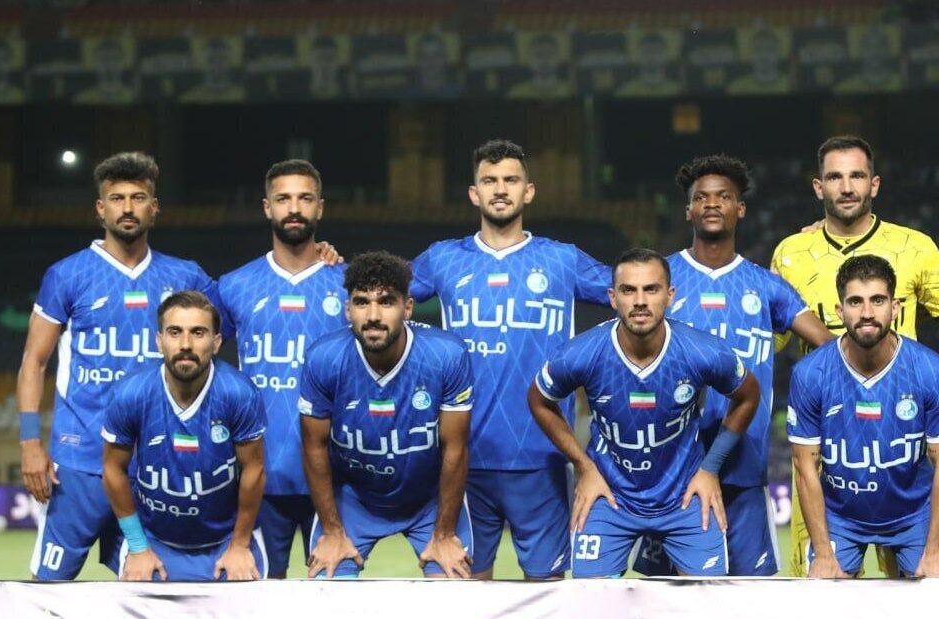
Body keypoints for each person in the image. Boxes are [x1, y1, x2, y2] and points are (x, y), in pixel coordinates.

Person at [771, 135, 939, 576]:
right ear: (818, 187)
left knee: (919, 582)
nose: (847, 187)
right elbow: (769, 342)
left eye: (857, 176)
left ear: (875, 184)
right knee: (817, 584)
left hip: (900, 445)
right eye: (835, 177)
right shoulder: (791, 254)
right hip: (827, 449)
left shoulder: (915, 248)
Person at [410, 139, 611, 580]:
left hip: (542, 457)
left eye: (510, 180)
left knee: (545, 592)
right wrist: (327, 260)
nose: (500, 189)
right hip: (463, 459)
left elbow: (638, 288)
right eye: (489, 181)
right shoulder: (443, 258)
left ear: (528, 191)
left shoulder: (562, 260)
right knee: (462, 589)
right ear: (474, 193)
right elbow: (375, 290)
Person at [18, 152, 220, 580]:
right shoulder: (67, 275)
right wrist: (29, 442)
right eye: (117, 198)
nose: (128, 207)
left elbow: (240, 312)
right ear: (100, 208)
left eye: (138, 198)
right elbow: (34, 361)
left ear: (154, 207)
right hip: (81, 460)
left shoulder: (186, 276)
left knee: (158, 585)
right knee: (49, 586)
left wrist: (316, 258)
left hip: (154, 467)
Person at [633, 155, 829, 577]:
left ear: (740, 209)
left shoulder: (767, 286)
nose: (711, 203)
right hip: (670, 470)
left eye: (723, 196)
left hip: (745, 466)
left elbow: (830, 348)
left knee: (750, 596)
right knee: (668, 597)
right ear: (688, 210)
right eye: (701, 197)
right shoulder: (660, 281)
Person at [529, 249, 760, 577]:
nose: (640, 301)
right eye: (628, 290)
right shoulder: (581, 353)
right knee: (591, 600)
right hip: (609, 494)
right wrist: (584, 466)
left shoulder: (703, 351)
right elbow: (539, 400)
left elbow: (749, 395)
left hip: (685, 496)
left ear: (670, 295)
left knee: (707, 599)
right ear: (612, 297)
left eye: (651, 289)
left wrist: (710, 468)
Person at [302, 252, 474, 579]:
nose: (373, 315)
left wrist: (443, 534)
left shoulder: (446, 355)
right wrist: (333, 530)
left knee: (452, 590)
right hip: (354, 500)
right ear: (348, 309)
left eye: (386, 302)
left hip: (428, 500)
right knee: (327, 591)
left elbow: (456, 448)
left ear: (407, 308)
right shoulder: (323, 359)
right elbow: (314, 447)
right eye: (362, 302)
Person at [788, 255, 939, 578]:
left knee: (935, 588)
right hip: (841, 517)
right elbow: (805, 467)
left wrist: (935, 550)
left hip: (913, 514)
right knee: (824, 590)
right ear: (840, 311)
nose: (867, 312)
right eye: (855, 301)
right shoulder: (810, 374)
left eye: (877, 300)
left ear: (895, 308)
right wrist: (823, 553)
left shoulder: (931, 370)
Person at [218, 160, 349, 578]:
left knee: (331, 597)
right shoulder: (234, 285)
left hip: (333, 478)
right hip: (259, 476)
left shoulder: (348, 284)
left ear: (320, 208)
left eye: (305, 198)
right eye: (283, 199)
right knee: (255, 598)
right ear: (267, 207)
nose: (294, 208)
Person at [100, 291, 268, 581]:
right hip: (152, 542)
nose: (186, 344)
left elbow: (254, 468)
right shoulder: (131, 394)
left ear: (216, 342)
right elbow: (112, 468)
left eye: (198, 333)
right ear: (159, 340)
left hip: (226, 542)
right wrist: (138, 546)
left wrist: (240, 545)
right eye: (175, 332)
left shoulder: (239, 393)